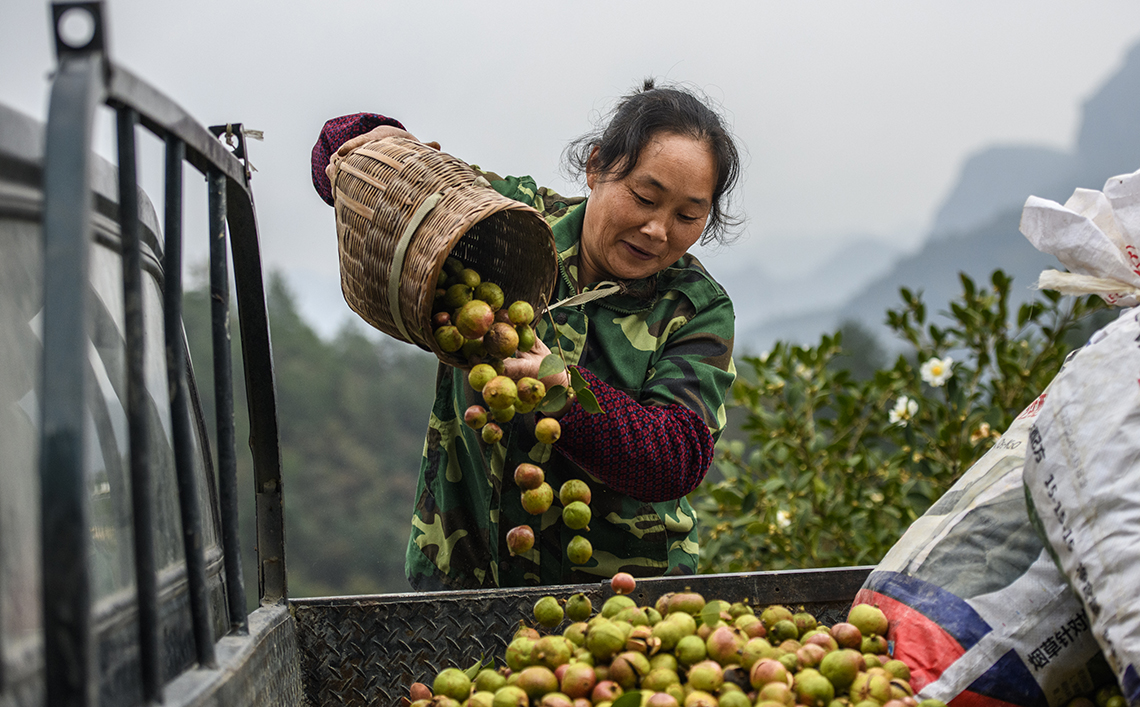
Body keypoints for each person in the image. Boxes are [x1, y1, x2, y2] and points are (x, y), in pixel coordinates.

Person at [311, 79, 741, 590]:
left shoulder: (694, 309)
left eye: (688, 216)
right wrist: (368, 147)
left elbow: (675, 456)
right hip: (464, 580)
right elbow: (370, 183)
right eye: (645, 198)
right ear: (598, 166)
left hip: (622, 601)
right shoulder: (508, 222)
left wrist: (564, 393)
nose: (658, 230)